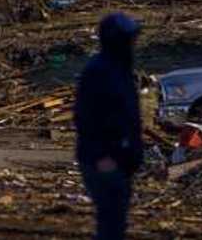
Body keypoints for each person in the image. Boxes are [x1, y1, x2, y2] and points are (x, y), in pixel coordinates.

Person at [74, 12, 143, 240]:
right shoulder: (100, 72)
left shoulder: (120, 69)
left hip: (119, 159)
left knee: (115, 222)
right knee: (111, 224)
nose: (135, 43)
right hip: (103, 160)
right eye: (130, 39)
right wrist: (101, 156)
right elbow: (85, 118)